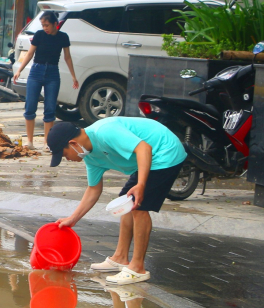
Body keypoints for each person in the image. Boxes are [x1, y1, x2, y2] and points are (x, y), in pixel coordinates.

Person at [47, 119, 187, 285]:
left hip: (164, 152)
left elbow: (144, 148)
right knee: (125, 204)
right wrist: (73, 219)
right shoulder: (91, 157)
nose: (67, 159)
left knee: (137, 206)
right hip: (147, 157)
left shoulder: (106, 132)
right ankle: (120, 257)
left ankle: (137, 268)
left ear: (73, 143)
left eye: (64, 155)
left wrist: (141, 184)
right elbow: (93, 189)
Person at [13, 10, 79, 149]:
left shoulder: (63, 37)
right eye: (43, 25)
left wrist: (73, 76)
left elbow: (67, 57)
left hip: (53, 73)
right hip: (36, 71)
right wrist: (19, 70)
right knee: (30, 106)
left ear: (56, 24)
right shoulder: (39, 35)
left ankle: (47, 143)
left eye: (47, 25)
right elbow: (30, 53)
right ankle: (30, 142)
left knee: (50, 109)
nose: (45, 28)